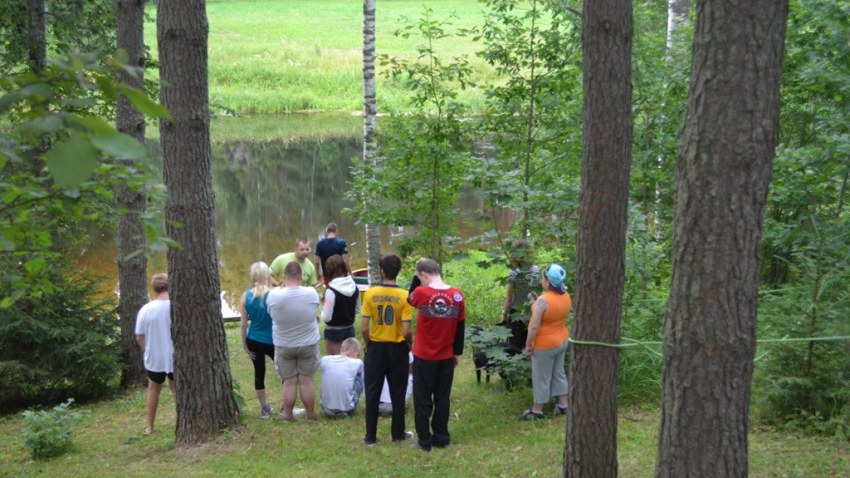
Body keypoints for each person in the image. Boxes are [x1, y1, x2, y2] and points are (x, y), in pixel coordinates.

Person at [407, 258, 465, 451]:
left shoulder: (421, 293)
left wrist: (415, 277)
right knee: (442, 397)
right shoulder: (457, 295)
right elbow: (460, 327)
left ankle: (424, 440)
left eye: (419, 277)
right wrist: (456, 352)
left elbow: (409, 298)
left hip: (424, 356)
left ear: (423, 275)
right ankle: (441, 436)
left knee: (422, 398)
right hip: (446, 356)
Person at [361, 254, 415, 446]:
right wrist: (410, 345)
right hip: (397, 348)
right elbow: (406, 330)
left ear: (382, 270)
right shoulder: (405, 296)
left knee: (372, 392)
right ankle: (397, 433)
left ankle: (370, 436)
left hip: (376, 347)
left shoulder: (370, 294)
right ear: (398, 271)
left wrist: (368, 344)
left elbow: (364, 328)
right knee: (397, 392)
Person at [267, 262, 321, 421]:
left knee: (289, 382)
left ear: (284, 276)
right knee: (306, 380)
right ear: (301, 276)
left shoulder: (274, 295)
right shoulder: (311, 292)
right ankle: (310, 415)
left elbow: (271, 314)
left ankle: (288, 415)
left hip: (284, 344)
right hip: (308, 343)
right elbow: (314, 312)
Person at [521, 263, 572, 420]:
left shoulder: (543, 301)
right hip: (562, 340)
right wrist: (535, 303)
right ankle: (563, 405)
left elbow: (534, 326)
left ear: (548, 282)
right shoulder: (566, 295)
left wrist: (528, 345)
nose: (542, 280)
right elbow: (552, 312)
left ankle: (537, 410)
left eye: (543, 278)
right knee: (559, 373)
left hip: (545, 345)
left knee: (541, 377)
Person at [134, 273, 174, 434]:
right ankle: (184, 421)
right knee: (177, 389)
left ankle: (150, 426)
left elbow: (139, 337)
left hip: (155, 358)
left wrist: (148, 348)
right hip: (175, 356)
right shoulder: (176, 306)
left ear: (154, 288)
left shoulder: (146, 309)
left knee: (153, 390)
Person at [239, 262, 276, 419]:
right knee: (285, 372)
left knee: (259, 373)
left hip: (253, 339)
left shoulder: (245, 296)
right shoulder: (274, 294)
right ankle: (287, 407)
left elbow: (243, 324)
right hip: (272, 341)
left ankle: (265, 409)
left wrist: (244, 344)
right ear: (267, 275)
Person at [501, 239, 540, 353]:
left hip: (516, 314)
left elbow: (509, 298)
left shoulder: (514, 273)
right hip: (531, 312)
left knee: (515, 348)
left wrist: (504, 315)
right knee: (530, 346)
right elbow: (537, 294)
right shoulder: (536, 270)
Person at [320, 254, 360, 355]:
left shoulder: (331, 290)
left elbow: (327, 317)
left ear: (329, 271)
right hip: (349, 329)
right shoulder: (354, 286)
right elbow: (357, 310)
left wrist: (322, 311)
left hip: (334, 332)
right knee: (349, 360)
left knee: (336, 362)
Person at [319, 337, 364, 417]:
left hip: (326, 409)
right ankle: (350, 402)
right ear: (352, 351)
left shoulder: (325, 359)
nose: (357, 357)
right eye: (357, 354)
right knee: (361, 375)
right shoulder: (357, 362)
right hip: (348, 410)